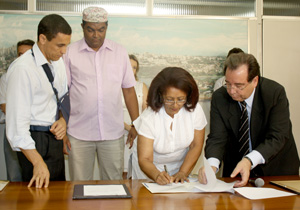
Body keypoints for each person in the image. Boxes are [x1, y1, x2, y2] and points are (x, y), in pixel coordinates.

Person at [199, 53, 300, 187]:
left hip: (276, 170)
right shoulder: (220, 97)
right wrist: (211, 165)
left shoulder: (274, 93)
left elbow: (278, 136)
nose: (231, 91)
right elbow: (217, 138)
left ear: (255, 81)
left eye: (239, 86)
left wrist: (249, 160)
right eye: (228, 84)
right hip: (237, 173)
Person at [63, 6, 139, 181]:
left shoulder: (119, 52)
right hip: (78, 133)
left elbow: (128, 90)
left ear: (107, 27)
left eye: (101, 30)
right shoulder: (70, 53)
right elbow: (63, 94)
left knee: (113, 183)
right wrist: (63, 128)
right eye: (90, 29)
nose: (95, 35)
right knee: (79, 185)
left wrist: (136, 123)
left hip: (112, 133)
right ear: (82, 27)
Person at [5, 14, 72, 188]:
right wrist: (37, 162)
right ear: (42, 39)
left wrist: (63, 121)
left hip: (54, 138)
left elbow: (63, 98)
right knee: (37, 198)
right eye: (60, 45)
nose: (64, 51)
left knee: (58, 194)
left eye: (66, 45)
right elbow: (17, 128)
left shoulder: (58, 62)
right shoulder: (22, 69)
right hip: (33, 142)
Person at [132, 67, 207, 185]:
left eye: (181, 99)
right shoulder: (149, 117)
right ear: (160, 96)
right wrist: (156, 175)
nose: (175, 105)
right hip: (149, 170)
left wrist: (183, 172)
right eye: (169, 99)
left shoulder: (195, 110)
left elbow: (196, 145)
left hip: (182, 167)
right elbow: (145, 159)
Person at [0, 39, 35, 182]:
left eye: (27, 54)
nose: (23, 58)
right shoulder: (6, 77)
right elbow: (5, 106)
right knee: (15, 176)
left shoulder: (42, 76)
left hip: (36, 132)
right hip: (13, 131)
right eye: (20, 54)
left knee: (35, 174)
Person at [123, 54, 148, 178]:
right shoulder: (113, 86)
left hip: (138, 132)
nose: (131, 70)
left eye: (134, 67)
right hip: (118, 132)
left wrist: (136, 128)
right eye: (129, 66)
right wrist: (129, 128)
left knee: (135, 171)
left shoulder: (141, 86)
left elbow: (147, 111)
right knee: (121, 171)